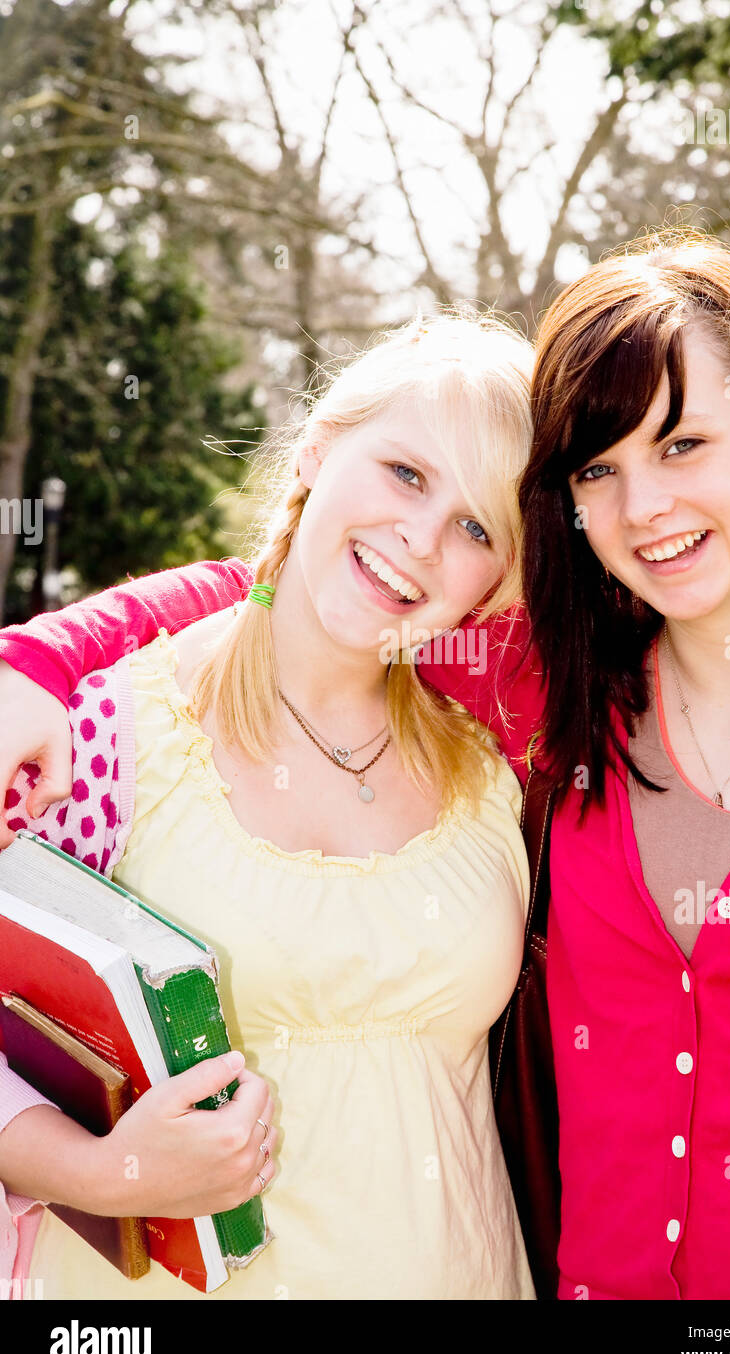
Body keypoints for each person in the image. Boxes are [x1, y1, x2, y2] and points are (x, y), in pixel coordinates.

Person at [3, 230, 730, 1302]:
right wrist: (38, 657)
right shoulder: (528, 705)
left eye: (683, 443)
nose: (643, 507)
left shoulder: (509, 721)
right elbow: (285, 598)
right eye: (599, 469)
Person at [0, 309, 539, 1300]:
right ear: (314, 452)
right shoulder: (94, 735)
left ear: (494, 586)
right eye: (405, 474)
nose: (418, 539)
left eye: (474, 527)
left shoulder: (493, 772)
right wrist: (102, 1171)